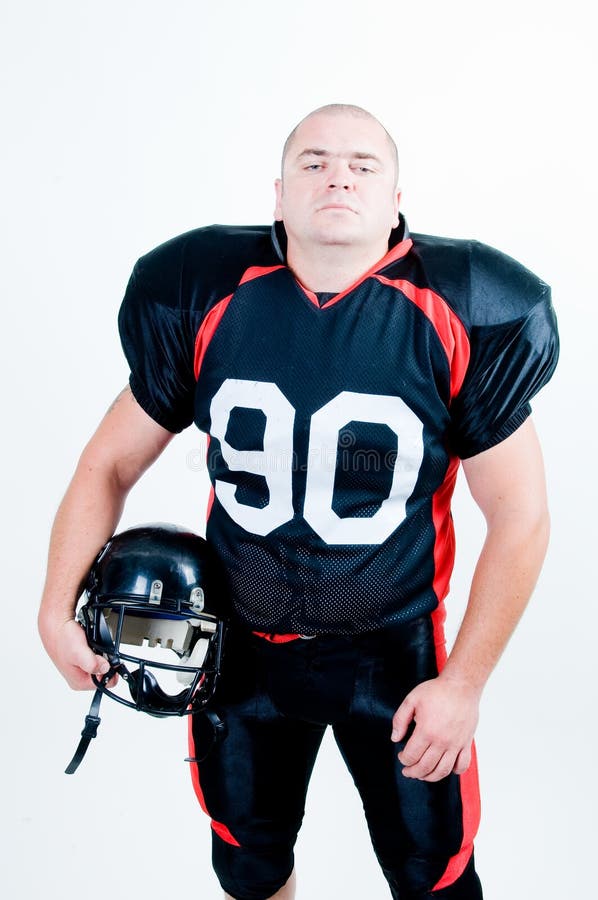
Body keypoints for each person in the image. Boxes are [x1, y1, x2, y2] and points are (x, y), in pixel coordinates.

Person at [38, 103, 559, 899]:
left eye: (361, 164)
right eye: (313, 163)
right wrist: (53, 606)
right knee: (250, 869)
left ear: (396, 200)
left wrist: (464, 685)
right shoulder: (208, 292)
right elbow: (107, 463)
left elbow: (521, 518)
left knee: (436, 875)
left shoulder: (459, 307)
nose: (337, 175)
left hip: (396, 657)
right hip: (241, 656)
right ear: (277, 195)